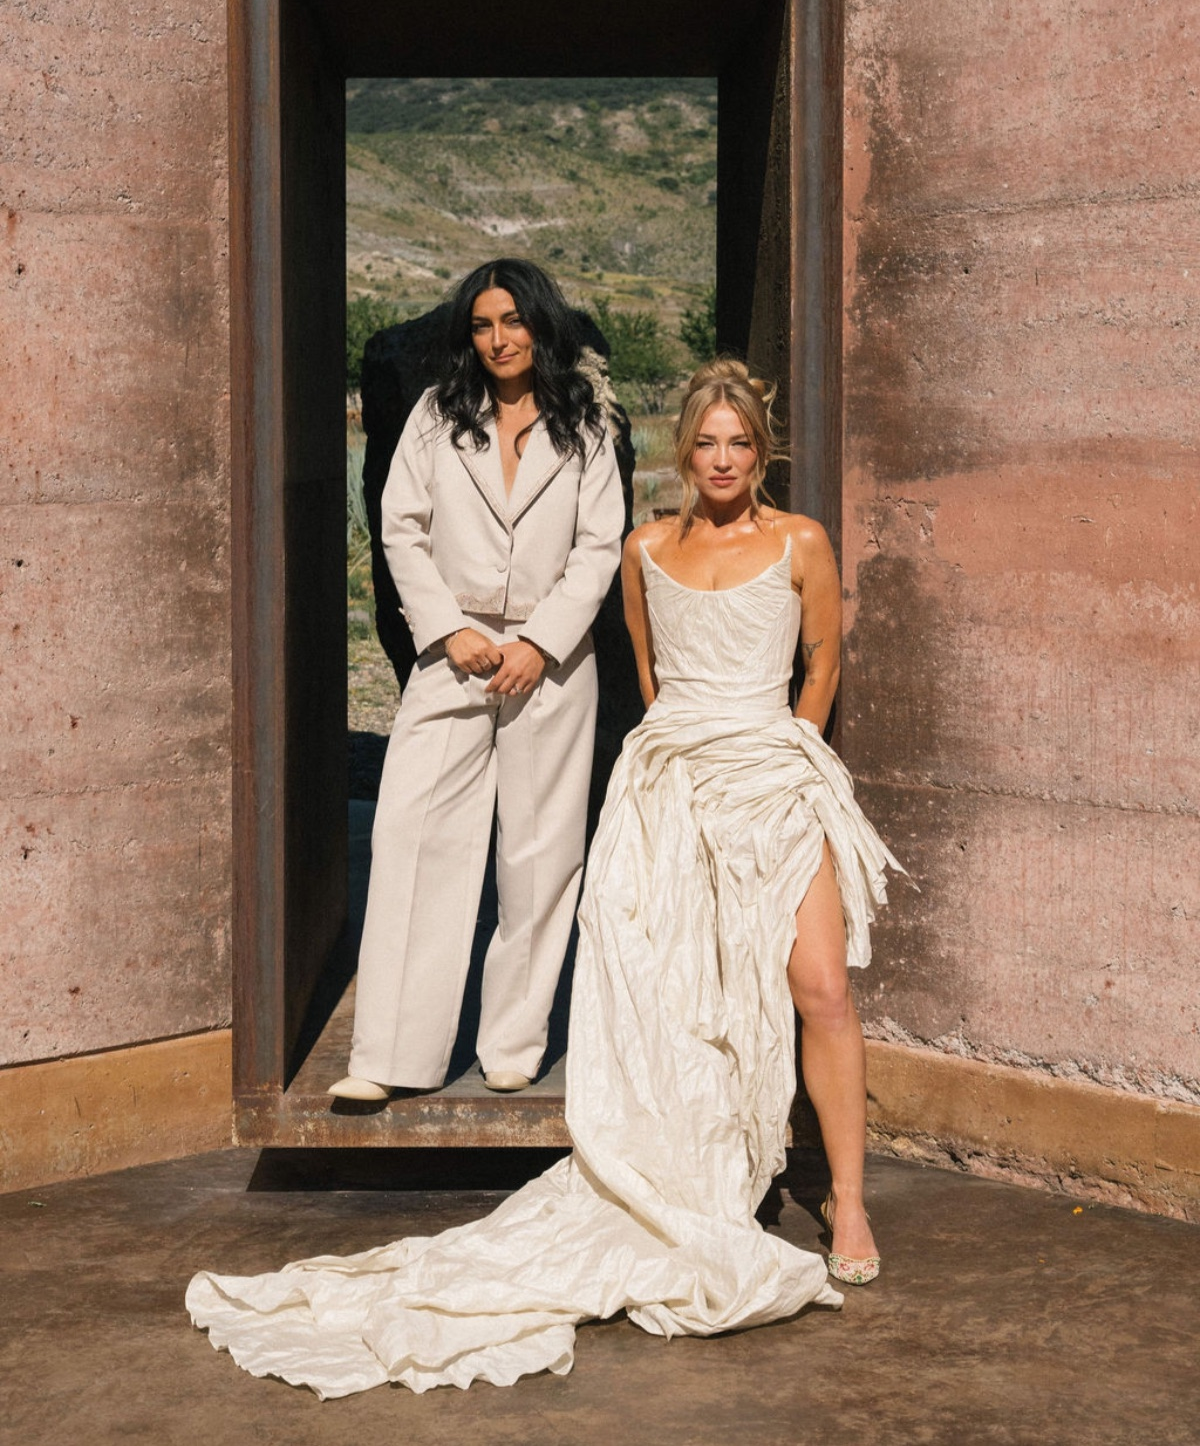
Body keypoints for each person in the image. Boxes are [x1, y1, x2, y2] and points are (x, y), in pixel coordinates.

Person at [187, 359, 901, 1397]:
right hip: (672, 781)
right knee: (680, 995)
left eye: (739, 443)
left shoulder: (802, 542)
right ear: (685, 450)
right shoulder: (647, 550)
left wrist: (784, 754)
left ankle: (849, 1201)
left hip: (773, 776)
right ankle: (690, 1166)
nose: (722, 460)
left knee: (820, 987)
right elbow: (650, 677)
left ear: (761, 451)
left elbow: (823, 664)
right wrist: (681, 763)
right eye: (706, 443)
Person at [328, 259, 626, 1099]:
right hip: (450, 657)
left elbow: (599, 546)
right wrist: (447, 629)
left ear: (541, 324)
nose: (499, 340)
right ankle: (389, 1059)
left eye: (514, 321)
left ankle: (513, 1043)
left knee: (539, 855)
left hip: (551, 667)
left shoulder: (584, 425)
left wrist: (543, 642)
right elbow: (400, 528)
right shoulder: (437, 415)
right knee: (413, 839)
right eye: (484, 325)